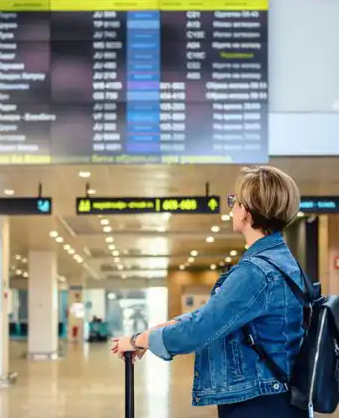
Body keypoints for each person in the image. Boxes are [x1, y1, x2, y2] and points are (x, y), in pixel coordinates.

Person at [111, 166, 307, 418]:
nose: (232, 208)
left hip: (260, 403)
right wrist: (151, 333)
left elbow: (200, 329)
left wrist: (138, 341)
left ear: (247, 212)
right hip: (277, 396)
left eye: (235, 202)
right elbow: (214, 316)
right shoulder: (283, 262)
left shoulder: (255, 272)